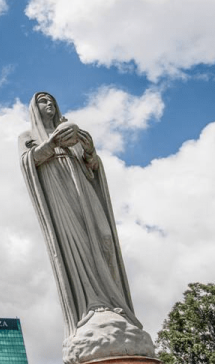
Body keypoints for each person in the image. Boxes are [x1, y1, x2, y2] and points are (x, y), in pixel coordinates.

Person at [19, 92, 143, 341]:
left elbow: (92, 167)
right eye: (42, 100)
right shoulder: (28, 136)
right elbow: (27, 162)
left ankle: (114, 301)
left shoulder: (71, 131)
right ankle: (93, 303)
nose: (49, 103)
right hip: (59, 194)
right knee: (78, 244)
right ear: (34, 108)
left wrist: (89, 150)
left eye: (51, 99)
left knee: (104, 237)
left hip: (83, 188)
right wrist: (51, 144)